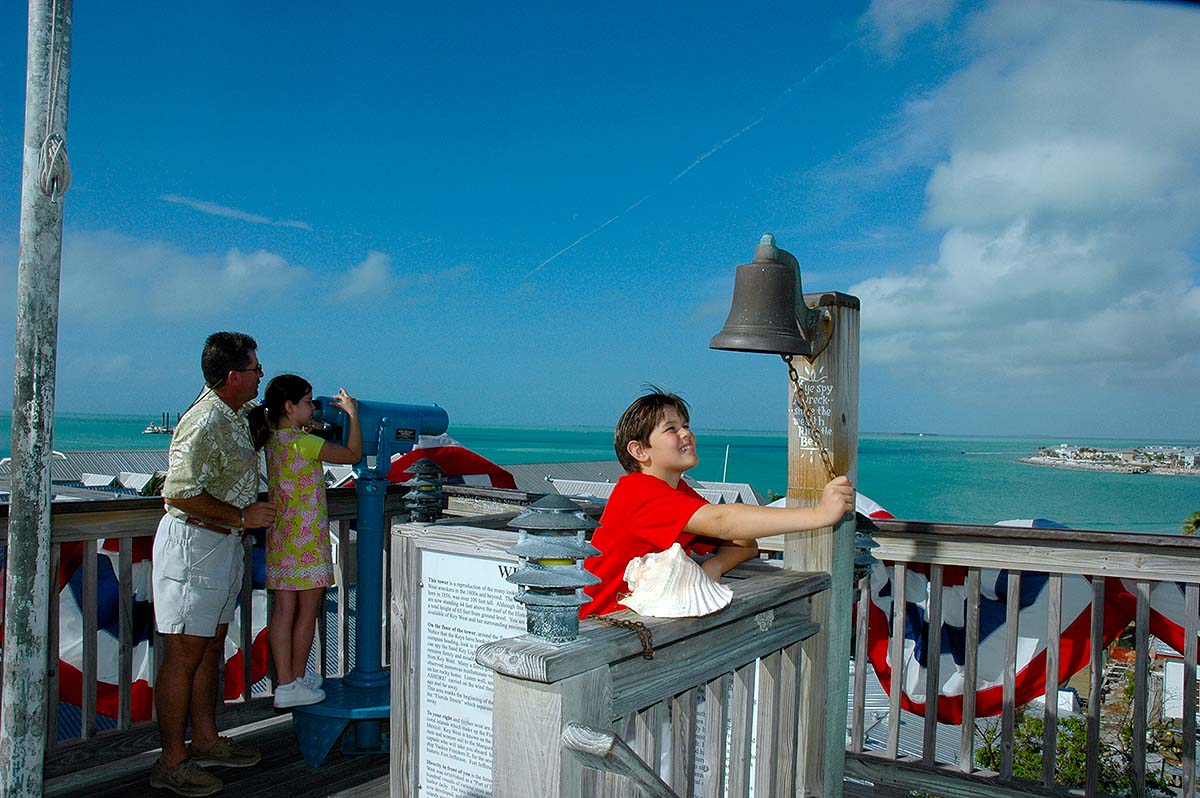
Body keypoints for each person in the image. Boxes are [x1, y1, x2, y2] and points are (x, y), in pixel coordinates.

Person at [581, 388, 855, 618]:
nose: (686, 434)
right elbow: (724, 523)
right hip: (595, 629)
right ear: (639, 451)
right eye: (671, 429)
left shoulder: (679, 493)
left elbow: (744, 542)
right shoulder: (637, 493)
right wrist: (819, 515)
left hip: (630, 627)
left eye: (686, 426)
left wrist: (713, 567)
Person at [150, 332, 276, 797]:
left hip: (221, 544)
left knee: (209, 646)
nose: (261, 374)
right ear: (233, 376)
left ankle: (203, 740)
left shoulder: (236, 415)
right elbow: (178, 493)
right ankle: (171, 761)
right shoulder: (203, 421)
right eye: (256, 368)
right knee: (184, 654)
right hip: (194, 545)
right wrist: (244, 516)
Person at [248, 376, 362, 709]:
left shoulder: (275, 440)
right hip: (309, 539)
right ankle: (294, 682)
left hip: (282, 536)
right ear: (289, 406)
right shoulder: (304, 443)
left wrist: (311, 422)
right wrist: (353, 414)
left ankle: (287, 682)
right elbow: (352, 453)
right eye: (308, 402)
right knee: (308, 611)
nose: (314, 407)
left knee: (284, 611)